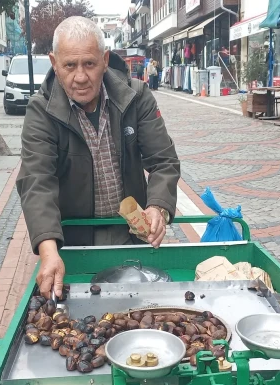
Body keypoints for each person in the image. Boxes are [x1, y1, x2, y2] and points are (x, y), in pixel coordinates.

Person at [17, 16, 181, 299]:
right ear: (54, 63)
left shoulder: (137, 96)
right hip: (75, 242)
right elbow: (36, 180)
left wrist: (158, 207)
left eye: (89, 64)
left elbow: (163, 159)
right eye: (69, 65)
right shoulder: (41, 111)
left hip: (132, 236)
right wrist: (48, 250)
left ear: (105, 59)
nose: (80, 77)